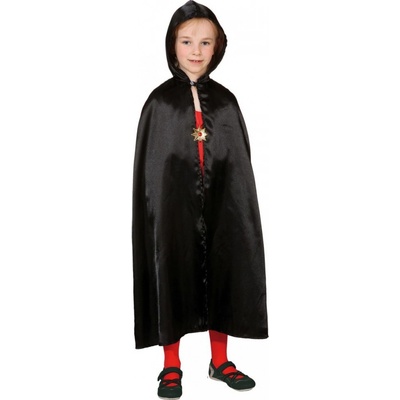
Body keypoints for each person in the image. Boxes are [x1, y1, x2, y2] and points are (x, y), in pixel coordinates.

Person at [132, 1, 268, 398]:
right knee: (171, 267)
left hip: (222, 202)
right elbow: (152, 169)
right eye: (187, 41)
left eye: (205, 42)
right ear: (172, 44)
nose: (196, 50)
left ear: (218, 46)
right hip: (173, 206)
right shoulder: (159, 104)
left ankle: (219, 361)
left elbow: (238, 165)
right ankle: (171, 364)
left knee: (226, 268)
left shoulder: (226, 102)